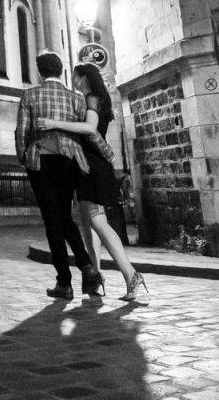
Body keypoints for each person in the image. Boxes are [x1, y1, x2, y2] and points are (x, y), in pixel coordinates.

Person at [37, 62, 149, 303]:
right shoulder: (96, 99)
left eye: (75, 77)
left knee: (98, 222)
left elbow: (89, 128)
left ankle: (131, 274)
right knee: (88, 223)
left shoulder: (93, 99)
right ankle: (94, 279)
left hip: (93, 166)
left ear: (82, 77)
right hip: (87, 164)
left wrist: (54, 124)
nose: (73, 81)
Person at [19, 51, 100, 300]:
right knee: (65, 216)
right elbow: (84, 131)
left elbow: (21, 131)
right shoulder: (75, 98)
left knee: (52, 222)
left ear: (39, 72)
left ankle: (64, 282)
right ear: (61, 70)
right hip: (68, 162)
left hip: (41, 161)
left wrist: (23, 156)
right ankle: (86, 266)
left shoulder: (30, 95)